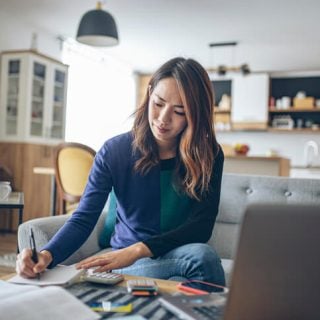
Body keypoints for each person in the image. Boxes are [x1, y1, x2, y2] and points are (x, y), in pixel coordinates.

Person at [16, 57, 225, 285]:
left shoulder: (209, 154)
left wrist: (137, 249)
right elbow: (84, 218)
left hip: (174, 254)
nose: (163, 119)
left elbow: (201, 227)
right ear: (149, 93)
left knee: (198, 260)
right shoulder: (115, 151)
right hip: (130, 263)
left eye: (179, 111)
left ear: (196, 114)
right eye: (158, 103)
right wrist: (46, 255)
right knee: (198, 264)